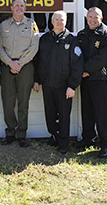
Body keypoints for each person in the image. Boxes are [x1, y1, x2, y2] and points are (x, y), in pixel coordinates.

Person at [34, 11, 83, 154]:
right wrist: (36, 80)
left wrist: (72, 86)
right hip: (47, 84)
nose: (59, 22)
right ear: (52, 21)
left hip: (64, 86)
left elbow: (77, 65)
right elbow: (37, 61)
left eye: (62, 20)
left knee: (63, 115)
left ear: (66, 22)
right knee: (50, 113)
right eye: (56, 20)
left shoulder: (71, 40)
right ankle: (54, 136)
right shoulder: (45, 39)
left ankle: (63, 143)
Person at [0, 0, 39, 147]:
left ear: (25, 9)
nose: (19, 8)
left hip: (25, 66)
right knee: (8, 101)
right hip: (7, 66)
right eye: (16, 6)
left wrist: (20, 63)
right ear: (11, 8)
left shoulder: (32, 25)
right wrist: (10, 62)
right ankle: (10, 133)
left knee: (23, 101)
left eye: (22, 6)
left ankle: (22, 134)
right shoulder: (3, 25)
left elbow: (34, 47)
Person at [77, 7, 107, 158]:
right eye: (90, 17)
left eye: (95, 17)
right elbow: (77, 55)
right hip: (85, 79)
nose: (92, 19)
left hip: (99, 78)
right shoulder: (82, 34)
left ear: (101, 18)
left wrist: (85, 69)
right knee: (87, 111)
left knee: (101, 113)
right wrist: (81, 70)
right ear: (86, 18)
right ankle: (88, 140)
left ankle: (106, 144)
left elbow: (103, 58)